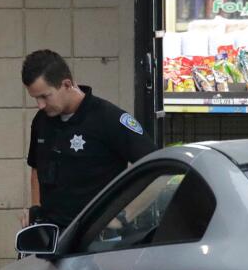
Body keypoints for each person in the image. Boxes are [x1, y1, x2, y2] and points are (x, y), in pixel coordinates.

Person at [23, 50, 157, 229]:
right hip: (54, 235)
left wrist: (124, 216)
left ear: (67, 84)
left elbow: (156, 171)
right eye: (35, 98)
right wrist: (36, 213)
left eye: (45, 96)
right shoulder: (42, 121)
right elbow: (36, 169)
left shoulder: (109, 119)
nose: (39, 105)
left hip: (94, 239)